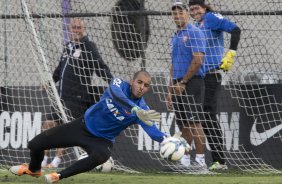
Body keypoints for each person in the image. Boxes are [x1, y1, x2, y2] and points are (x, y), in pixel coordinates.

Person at [9, 71, 169, 183]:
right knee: (35, 145)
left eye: (146, 85)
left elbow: (152, 131)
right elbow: (115, 94)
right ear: (132, 81)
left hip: (102, 140)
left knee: (102, 156)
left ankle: (58, 176)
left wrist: (166, 140)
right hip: (82, 127)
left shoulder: (143, 110)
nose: (141, 87)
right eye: (139, 82)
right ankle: (34, 169)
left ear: (148, 89)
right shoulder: (119, 84)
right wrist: (134, 108)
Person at [41, 18, 113, 168]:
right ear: (70, 29)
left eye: (79, 27)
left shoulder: (89, 46)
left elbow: (100, 67)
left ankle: (56, 162)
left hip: (77, 97)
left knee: (67, 129)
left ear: (84, 29)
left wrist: (113, 83)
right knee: (48, 124)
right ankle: (43, 160)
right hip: (61, 96)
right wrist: (50, 82)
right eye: (74, 27)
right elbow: (59, 69)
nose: (76, 30)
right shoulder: (68, 46)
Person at [188, 0, 241, 170]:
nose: (194, 11)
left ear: (204, 8)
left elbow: (236, 30)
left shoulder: (211, 17)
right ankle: (214, 160)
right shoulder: (197, 24)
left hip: (212, 74)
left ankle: (220, 161)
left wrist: (231, 53)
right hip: (201, 76)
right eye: (191, 10)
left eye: (196, 8)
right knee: (203, 115)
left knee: (208, 114)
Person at [166, 1, 207, 169]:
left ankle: (200, 162)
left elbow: (198, 60)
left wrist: (183, 82)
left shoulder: (194, 32)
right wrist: (170, 89)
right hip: (177, 84)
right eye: (174, 13)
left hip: (192, 83)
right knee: (183, 124)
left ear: (187, 14)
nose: (177, 15)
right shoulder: (175, 36)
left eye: (180, 12)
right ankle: (184, 161)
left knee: (194, 122)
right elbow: (173, 64)